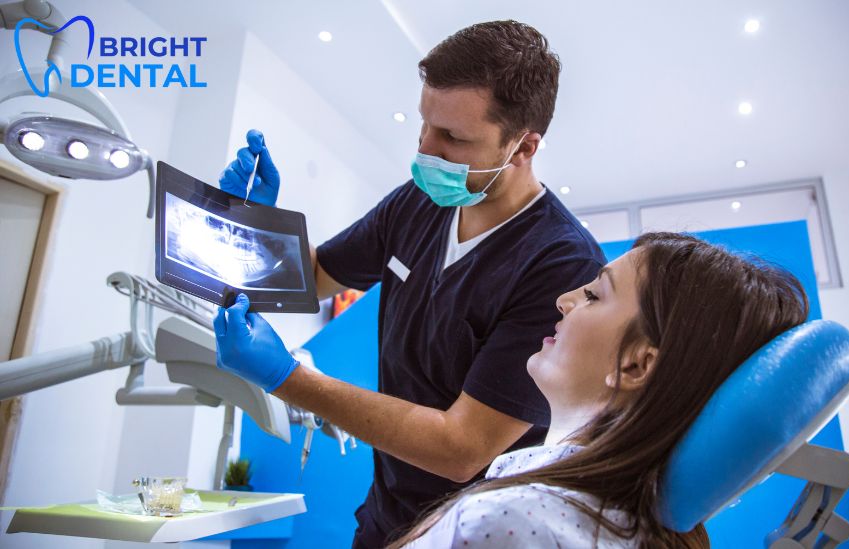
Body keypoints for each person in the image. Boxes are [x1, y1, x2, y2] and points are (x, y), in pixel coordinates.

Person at [214, 20, 607, 547]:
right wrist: (259, 225)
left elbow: (461, 448)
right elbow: (312, 278)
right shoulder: (416, 203)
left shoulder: (561, 265)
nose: (425, 150)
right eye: (425, 125)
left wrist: (288, 378)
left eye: (452, 138)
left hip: (477, 533)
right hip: (385, 519)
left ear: (523, 146)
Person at [384, 232, 809, 548]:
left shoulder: (501, 523)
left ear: (637, 364)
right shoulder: (637, 529)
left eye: (592, 295)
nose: (564, 300)